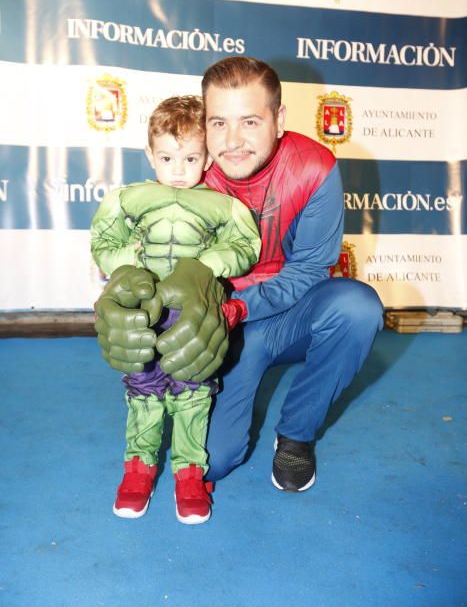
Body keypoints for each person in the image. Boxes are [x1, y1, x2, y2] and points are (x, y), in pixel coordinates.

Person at [95, 57, 384, 497]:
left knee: (356, 308)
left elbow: (309, 269)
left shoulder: (314, 167)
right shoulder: (189, 168)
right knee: (212, 461)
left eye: (249, 121)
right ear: (203, 124)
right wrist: (119, 295)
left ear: (278, 119)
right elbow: (145, 254)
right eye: (218, 123)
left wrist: (237, 305)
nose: (232, 141)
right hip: (222, 328)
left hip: (283, 314)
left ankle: (297, 436)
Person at [91, 95, 260, 523]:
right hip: (144, 313)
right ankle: (139, 468)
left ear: (207, 158)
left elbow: (245, 246)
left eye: (190, 157)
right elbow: (103, 244)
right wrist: (127, 264)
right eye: (167, 157)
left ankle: (188, 471)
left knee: (194, 394)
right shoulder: (128, 198)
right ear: (150, 154)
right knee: (143, 393)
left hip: (194, 314)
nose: (179, 169)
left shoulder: (224, 205)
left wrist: (205, 267)